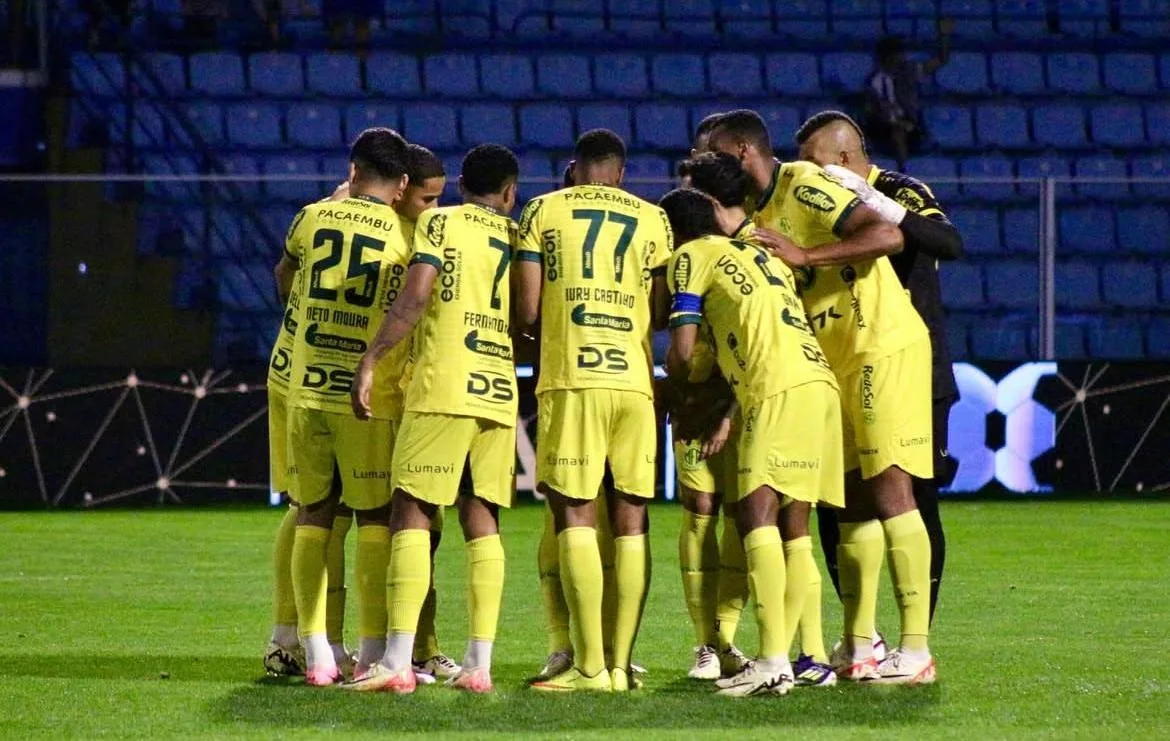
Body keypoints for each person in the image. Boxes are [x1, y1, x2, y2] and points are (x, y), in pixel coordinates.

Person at [706, 110, 938, 685]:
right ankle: (860, 645)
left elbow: (889, 234)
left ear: (740, 151)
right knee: (851, 502)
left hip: (878, 344)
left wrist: (806, 256)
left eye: (708, 151)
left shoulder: (806, 182)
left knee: (891, 487)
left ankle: (916, 651)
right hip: (830, 360)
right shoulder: (755, 216)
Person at [344, 144, 522, 695]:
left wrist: (372, 358)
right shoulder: (516, 237)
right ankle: (479, 665)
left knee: (412, 511)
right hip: (498, 384)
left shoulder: (439, 222)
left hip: (445, 381)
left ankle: (397, 660)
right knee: (481, 515)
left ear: (461, 183)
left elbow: (415, 297)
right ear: (510, 194)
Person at [660, 187, 844, 697]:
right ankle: (810, 657)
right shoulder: (761, 255)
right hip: (817, 383)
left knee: (754, 516)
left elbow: (682, 351)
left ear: (674, 230)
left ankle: (771, 662)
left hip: (776, 391)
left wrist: (672, 387)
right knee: (795, 524)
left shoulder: (689, 255)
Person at [516, 129, 673, 693]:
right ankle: (621, 663)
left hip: (572, 378)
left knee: (575, 514)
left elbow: (528, 309)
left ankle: (586, 667)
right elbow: (659, 313)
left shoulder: (543, 209)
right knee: (631, 519)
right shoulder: (654, 219)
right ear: (622, 174)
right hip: (633, 381)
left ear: (575, 167)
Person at [795, 110, 962, 629]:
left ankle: (918, 633)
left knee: (916, 497)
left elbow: (948, 244)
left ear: (845, 158)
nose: (807, 171)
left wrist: (879, 204)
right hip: (841, 362)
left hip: (916, 367)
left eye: (814, 160)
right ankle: (857, 631)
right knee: (836, 499)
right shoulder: (818, 203)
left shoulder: (899, 188)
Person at [272, 127, 412, 686]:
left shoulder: (310, 217)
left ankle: (318, 654)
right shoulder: (404, 238)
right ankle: (374, 651)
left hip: (307, 386)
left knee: (313, 514)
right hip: (364, 396)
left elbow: (283, 278)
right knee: (375, 518)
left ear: (352, 172)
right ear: (401, 184)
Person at [863, 20, 953, 168]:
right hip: (881, 128)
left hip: (911, 127)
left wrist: (944, 35)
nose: (902, 57)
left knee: (902, 130)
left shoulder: (910, 71)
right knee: (897, 131)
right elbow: (871, 109)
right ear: (887, 57)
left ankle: (905, 171)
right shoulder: (874, 80)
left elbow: (941, 60)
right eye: (898, 53)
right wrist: (889, 118)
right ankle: (902, 173)